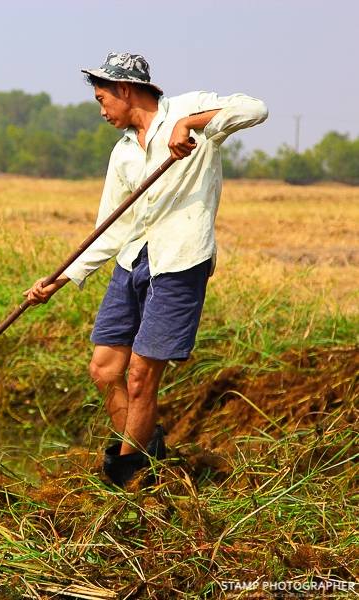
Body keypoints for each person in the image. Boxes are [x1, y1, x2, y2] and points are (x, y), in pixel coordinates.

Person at [24, 52, 268, 488]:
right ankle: (144, 449)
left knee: (140, 375)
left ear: (124, 89)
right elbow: (110, 227)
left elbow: (255, 109)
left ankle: (125, 476)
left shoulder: (187, 110)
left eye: (103, 99)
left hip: (179, 262)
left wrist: (189, 126)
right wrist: (58, 280)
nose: (101, 111)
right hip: (131, 259)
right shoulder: (122, 155)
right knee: (104, 369)